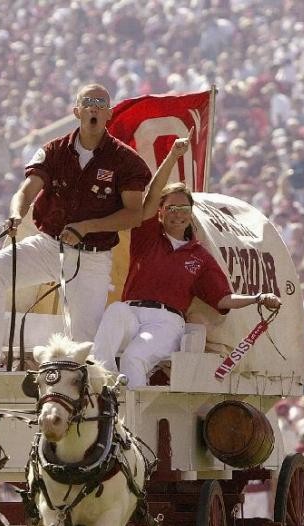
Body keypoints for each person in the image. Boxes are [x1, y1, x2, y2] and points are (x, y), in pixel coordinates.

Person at [0, 84, 152, 388]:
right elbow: (27, 190)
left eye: (100, 104)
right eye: (87, 103)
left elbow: (134, 214)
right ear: (76, 111)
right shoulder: (53, 150)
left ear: (108, 114)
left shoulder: (125, 161)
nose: (93, 108)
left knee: (83, 343)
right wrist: (16, 213)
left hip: (91, 257)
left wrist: (86, 227)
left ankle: (80, 399)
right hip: (48, 244)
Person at [92, 134, 281, 387]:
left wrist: (258, 298)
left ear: (191, 215)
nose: (177, 214)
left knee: (134, 357)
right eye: (171, 208)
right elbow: (152, 193)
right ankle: (101, 388)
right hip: (131, 312)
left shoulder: (199, 256)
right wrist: (172, 157)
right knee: (114, 312)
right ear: (160, 213)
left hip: (166, 321)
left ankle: (130, 417)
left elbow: (223, 298)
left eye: (183, 209)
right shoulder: (147, 237)